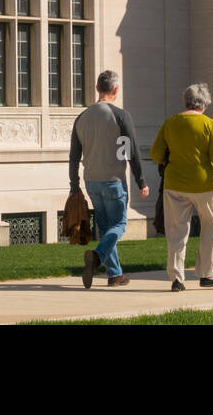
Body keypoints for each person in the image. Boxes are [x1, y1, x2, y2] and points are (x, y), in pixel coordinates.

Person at [149, 82, 213, 291]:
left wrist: (171, 158)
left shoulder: (170, 123)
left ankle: (177, 280)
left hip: (174, 185)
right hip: (204, 185)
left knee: (176, 232)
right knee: (212, 226)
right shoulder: (210, 124)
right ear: (205, 103)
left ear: (186, 101)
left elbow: (155, 153)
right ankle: (207, 274)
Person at [69, 69, 148, 288]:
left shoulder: (82, 117)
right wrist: (141, 181)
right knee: (120, 224)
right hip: (113, 179)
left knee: (105, 228)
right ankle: (95, 257)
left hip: (91, 181)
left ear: (97, 88)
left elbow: (74, 156)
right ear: (116, 89)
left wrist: (74, 186)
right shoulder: (120, 115)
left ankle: (115, 275)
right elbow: (131, 151)